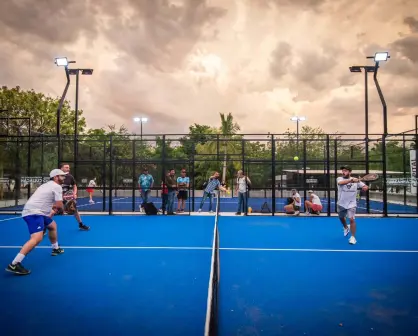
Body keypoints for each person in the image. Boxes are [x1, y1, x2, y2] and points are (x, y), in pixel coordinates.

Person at [5, 169, 67, 275]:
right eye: (62, 176)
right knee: (37, 238)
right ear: (56, 177)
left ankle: (55, 248)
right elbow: (59, 205)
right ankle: (14, 264)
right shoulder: (57, 187)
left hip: (38, 212)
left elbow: (45, 201)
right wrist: (62, 210)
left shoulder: (46, 185)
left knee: (52, 226)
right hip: (34, 213)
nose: (64, 178)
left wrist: (55, 208)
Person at [337, 165, 368, 245]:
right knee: (341, 217)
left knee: (351, 219)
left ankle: (353, 237)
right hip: (341, 203)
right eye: (343, 171)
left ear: (350, 172)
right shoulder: (339, 178)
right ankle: (346, 227)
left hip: (352, 203)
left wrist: (365, 187)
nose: (343, 172)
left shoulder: (357, 180)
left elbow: (364, 186)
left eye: (346, 171)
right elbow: (341, 183)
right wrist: (351, 180)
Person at [60, 163, 90, 231]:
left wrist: (74, 193)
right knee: (52, 212)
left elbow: (74, 186)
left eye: (69, 167)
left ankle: (81, 224)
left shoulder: (70, 177)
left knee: (75, 210)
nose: (68, 169)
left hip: (67, 197)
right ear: (61, 168)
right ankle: (43, 228)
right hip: (57, 197)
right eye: (66, 167)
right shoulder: (56, 176)